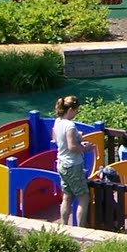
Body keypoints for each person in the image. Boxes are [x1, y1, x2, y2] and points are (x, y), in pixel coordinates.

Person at [52, 94, 87, 227]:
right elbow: (72, 147)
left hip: (61, 162)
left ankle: (64, 225)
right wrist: (85, 148)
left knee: (67, 196)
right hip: (73, 164)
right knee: (83, 197)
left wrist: (77, 136)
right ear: (71, 110)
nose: (77, 113)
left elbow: (56, 139)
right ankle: (80, 228)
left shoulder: (58, 121)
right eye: (76, 110)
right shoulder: (70, 125)